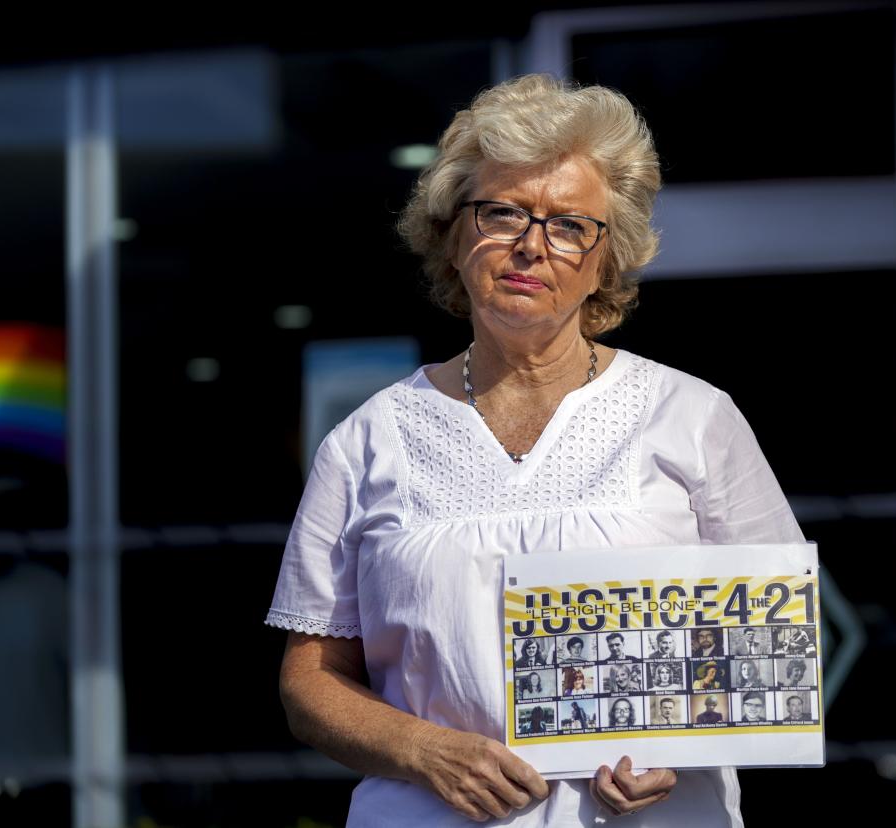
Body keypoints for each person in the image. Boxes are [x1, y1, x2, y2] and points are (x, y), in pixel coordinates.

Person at [269, 74, 804, 826]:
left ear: (603, 259)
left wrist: (674, 747)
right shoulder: (367, 440)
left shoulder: (692, 417)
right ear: (454, 235)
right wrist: (424, 750)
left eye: (567, 225)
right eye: (503, 213)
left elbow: (774, 645)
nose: (531, 245)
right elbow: (311, 681)